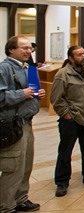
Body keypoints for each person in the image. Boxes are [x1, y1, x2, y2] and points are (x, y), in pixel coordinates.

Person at [50, 45, 84, 197]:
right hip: (71, 120)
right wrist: (66, 114)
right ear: (71, 58)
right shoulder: (63, 74)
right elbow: (56, 99)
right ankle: (62, 182)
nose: (83, 56)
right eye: (79, 55)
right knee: (65, 151)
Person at [0, 36, 45, 213]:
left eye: (30, 48)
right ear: (11, 49)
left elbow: (28, 92)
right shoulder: (4, 68)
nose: (28, 51)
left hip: (27, 123)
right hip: (12, 125)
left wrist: (36, 94)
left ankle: (21, 199)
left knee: (26, 166)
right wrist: (22, 94)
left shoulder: (27, 68)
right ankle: (6, 206)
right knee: (13, 168)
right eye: (23, 48)